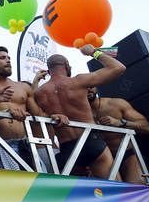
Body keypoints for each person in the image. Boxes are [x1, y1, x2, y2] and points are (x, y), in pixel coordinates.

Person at [34, 46, 126, 178]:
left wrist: (36, 82)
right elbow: (119, 68)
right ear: (66, 66)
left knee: (79, 196)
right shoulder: (78, 81)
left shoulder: (40, 93)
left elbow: (34, 111)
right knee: (113, 188)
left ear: (49, 71)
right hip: (90, 141)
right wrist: (94, 52)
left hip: (67, 149)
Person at [0, 47, 68, 171]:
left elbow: (38, 114)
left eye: (9, 58)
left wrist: (54, 116)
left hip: (26, 146)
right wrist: (5, 112)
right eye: (2, 58)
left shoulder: (23, 87)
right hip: (0, 146)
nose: (8, 60)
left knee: (35, 187)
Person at [88, 87, 149, 184]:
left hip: (126, 154)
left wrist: (120, 122)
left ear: (96, 88)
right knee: (105, 192)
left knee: (136, 187)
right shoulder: (78, 113)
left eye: (91, 86)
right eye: (85, 87)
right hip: (101, 158)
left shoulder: (116, 104)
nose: (88, 89)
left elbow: (146, 127)